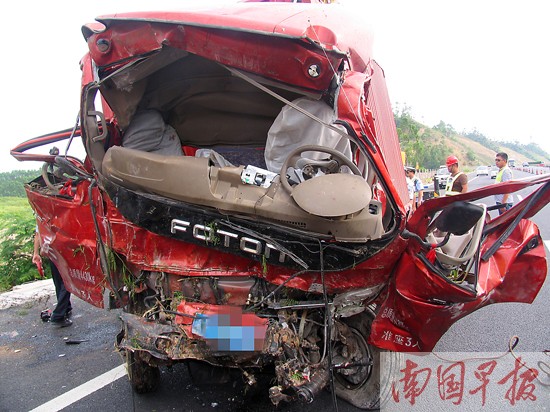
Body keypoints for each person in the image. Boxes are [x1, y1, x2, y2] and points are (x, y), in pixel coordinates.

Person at [33, 231, 73, 327]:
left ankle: (65, 307)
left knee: (59, 281)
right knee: (67, 281)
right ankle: (58, 316)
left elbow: (38, 233)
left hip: (51, 251)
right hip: (61, 250)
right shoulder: (55, 215)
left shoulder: (42, 216)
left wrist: (36, 253)